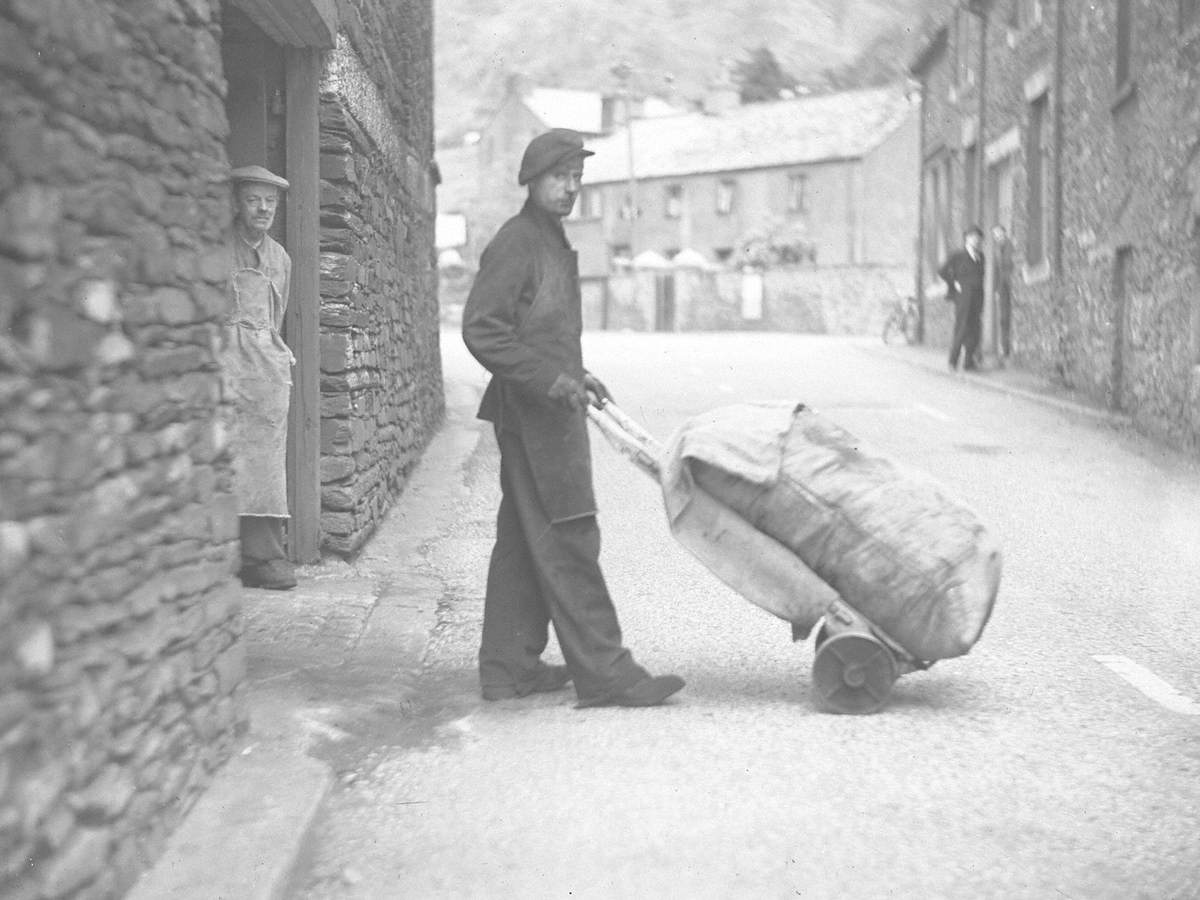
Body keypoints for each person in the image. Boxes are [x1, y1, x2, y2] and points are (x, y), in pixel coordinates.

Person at [462, 129, 684, 708]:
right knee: (570, 536)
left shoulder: (547, 239)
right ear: (532, 181)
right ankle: (607, 671)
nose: (570, 188)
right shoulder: (517, 242)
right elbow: (483, 329)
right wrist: (550, 380)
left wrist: (573, 374)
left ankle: (507, 668)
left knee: (520, 543)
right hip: (536, 418)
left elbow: (539, 328)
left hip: (546, 410)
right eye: (560, 177)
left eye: (577, 179)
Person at [223, 165, 297, 590]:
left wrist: (265, 353)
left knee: (266, 461)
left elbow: (277, 317)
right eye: (254, 199)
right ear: (237, 203)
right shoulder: (217, 250)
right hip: (226, 362)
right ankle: (222, 554)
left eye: (270, 201)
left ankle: (263, 556)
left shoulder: (280, 258)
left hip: (265, 368)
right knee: (225, 452)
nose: (263, 208)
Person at [939, 225, 986, 371]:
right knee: (962, 328)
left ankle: (968, 362)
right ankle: (953, 361)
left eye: (978, 237)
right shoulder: (958, 255)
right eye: (972, 237)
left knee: (975, 329)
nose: (976, 240)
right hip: (963, 297)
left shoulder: (981, 256)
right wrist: (954, 283)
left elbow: (980, 277)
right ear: (966, 238)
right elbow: (942, 271)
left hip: (977, 297)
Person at [992, 224, 1014, 359]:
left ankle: (1007, 347)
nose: (998, 237)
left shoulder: (1010, 246)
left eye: (999, 234)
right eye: (995, 235)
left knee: (1009, 316)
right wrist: (996, 290)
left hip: (1011, 283)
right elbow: (996, 271)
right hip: (1002, 286)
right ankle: (1005, 348)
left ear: (1005, 233)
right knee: (1003, 318)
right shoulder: (997, 249)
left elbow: (1010, 263)